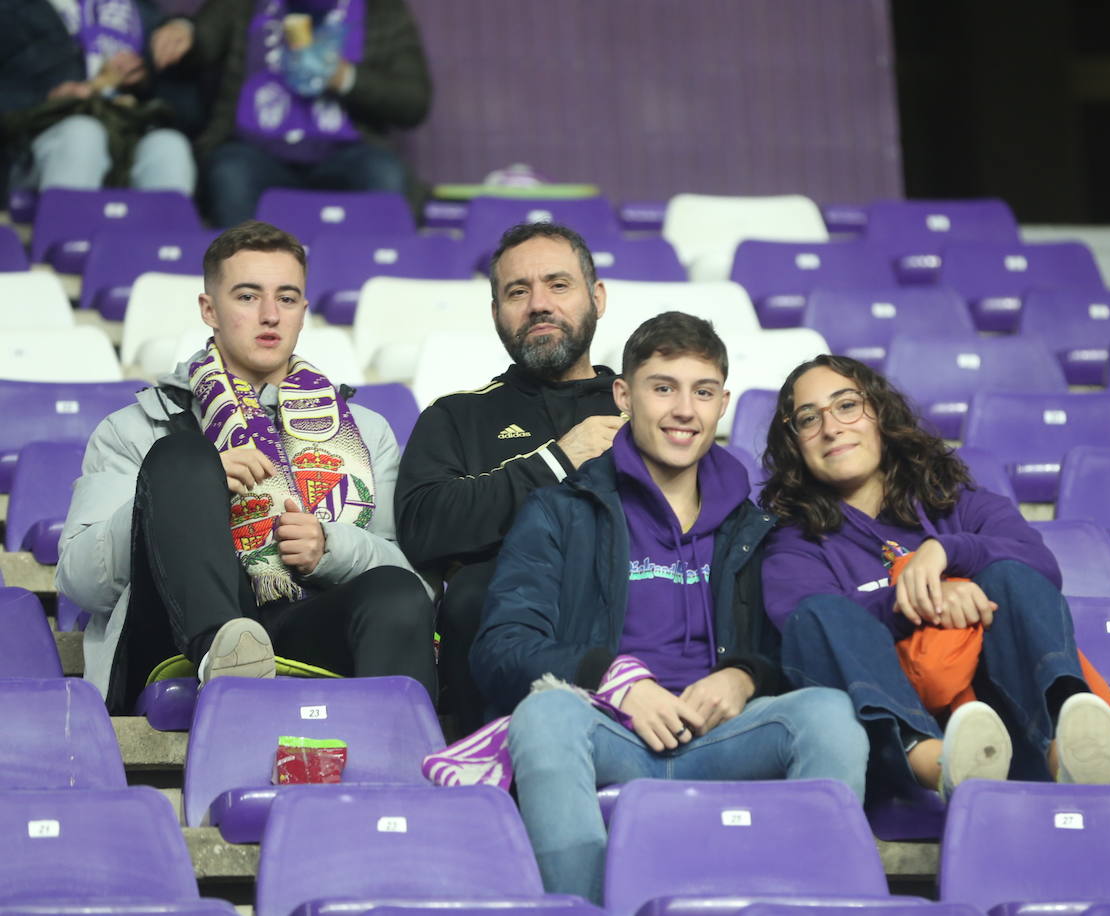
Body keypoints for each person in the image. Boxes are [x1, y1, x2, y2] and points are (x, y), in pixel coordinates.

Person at [460, 313, 867, 903]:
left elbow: (797, 648)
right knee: (544, 717)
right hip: (609, 732)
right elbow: (499, 649)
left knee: (829, 715)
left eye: (702, 392)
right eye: (663, 387)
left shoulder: (757, 527)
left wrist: (745, 675)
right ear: (624, 395)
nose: (684, 410)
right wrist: (614, 681)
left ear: (723, 403)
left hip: (725, 736)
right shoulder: (560, 511)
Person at [57, 220, 436, 712]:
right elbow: (80, 581)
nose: (269, 315)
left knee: (396, 593)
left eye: (286, 297)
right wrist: (176, 499)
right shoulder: (136, 428)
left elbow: (418, 584)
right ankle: (222, 651)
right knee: (183, 459)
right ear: (209, 310)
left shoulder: (364, 431)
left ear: (304, 310)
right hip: (172, 637)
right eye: (247, 296)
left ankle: (403, 766)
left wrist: (331, 547)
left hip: (306, 622)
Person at [759, 355, 1110, 800]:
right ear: (795, 442)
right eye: (808, 418)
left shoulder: (953, 503)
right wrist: (926, 598)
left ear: (880, 414)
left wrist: (946, 552)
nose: (832, 427)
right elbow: (806, 629)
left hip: (1006, 717)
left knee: (1010, 573)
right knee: (816, 615)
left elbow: (1041, 564)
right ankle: (938, 763)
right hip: (896, 737)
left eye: (846, 406)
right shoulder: (792, 542)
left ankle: (1070, 749)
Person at [397, 222, 624, 731]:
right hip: (502, 639)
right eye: (517, 291)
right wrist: (558, 460)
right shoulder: (456, 416)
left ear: (598, 297)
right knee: (478, 591)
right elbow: (421, 526)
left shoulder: (642, 407)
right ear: (497, 312)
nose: (539, 304)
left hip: (629, 609)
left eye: (558, 285)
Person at [148, 0, 431, 227]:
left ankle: (372, 276)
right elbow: (200, 41)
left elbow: (414, 103)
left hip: (349, 151)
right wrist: (182, 29)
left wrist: (345, 78)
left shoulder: (383, 9)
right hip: (254, 150)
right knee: (230, 173)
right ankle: (240, 286)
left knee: (385, 174)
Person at [1, 0, 196, 196]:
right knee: (83, 134)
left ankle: (165, 227)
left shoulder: (129, 8)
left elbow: (183, 99)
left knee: (169, 146)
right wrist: (48, 97)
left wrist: (146, 73)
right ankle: (65, 226)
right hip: (36, 140)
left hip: (125, 131)